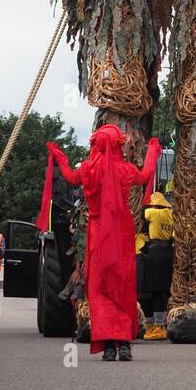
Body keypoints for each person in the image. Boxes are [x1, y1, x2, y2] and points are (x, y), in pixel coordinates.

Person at [40, 127, 160, 360]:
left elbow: (69, 176)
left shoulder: (87, 170)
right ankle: (123, 343)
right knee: (122, 285)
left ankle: (107, 347)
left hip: (98, 233)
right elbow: (145, 176)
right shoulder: (126, 169)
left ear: (95, 145)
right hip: (121, 232)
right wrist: (153, 153)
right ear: (118, 145)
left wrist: (60, 157)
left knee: (101, 287)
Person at [140, 189, 174, 339]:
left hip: (155, 254)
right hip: (167, 253)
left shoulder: (154, 213)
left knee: (151, 291)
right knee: (162, 292)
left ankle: (155, 328)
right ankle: (159, 326)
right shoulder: (170, 214)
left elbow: (142, 212)